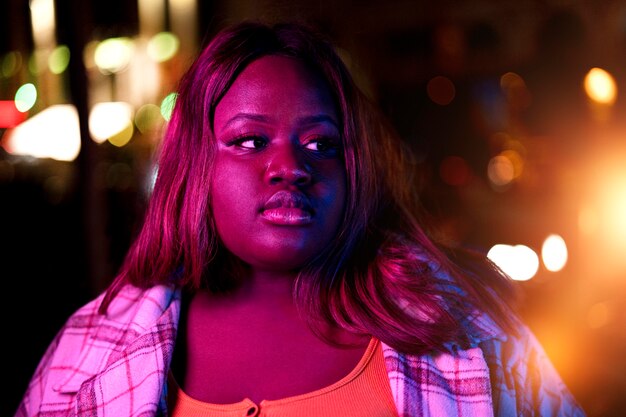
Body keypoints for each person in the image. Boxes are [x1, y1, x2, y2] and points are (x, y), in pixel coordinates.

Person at [16, 21, 585, 417]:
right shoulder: (89, 354)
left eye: (320, 145)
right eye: (250, 140)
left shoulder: (466, 330)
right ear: (196, 166)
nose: (289, 167)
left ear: (356, 166)